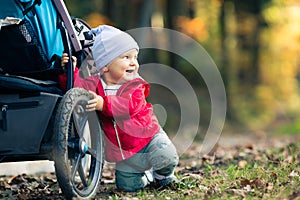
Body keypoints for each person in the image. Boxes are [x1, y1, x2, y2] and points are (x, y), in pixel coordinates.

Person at [60, 25, 179, 192]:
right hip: (125, 154)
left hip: (148, 140)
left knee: (167, 157)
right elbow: (77, 90)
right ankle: (146, 177)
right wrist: (69, 71)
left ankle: (162, 176)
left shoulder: (135, 84)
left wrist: (104, 104)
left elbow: (129, 106)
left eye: (135, 57)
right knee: (128, 186)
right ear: (105, 65)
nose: (134, 63)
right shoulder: (95, 84)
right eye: (126, 57)